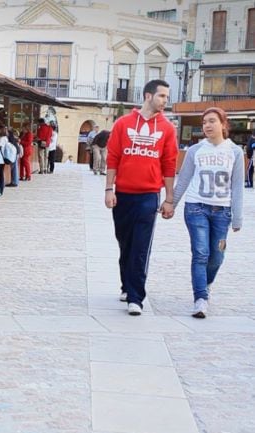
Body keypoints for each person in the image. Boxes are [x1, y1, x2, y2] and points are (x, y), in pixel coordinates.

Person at [105, 79, 178, 316]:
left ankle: (136, 296)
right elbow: (113, 157)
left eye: (167, 97)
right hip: (123, 194)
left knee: (140, 246)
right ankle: (127, 284)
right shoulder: (123, 124)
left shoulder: (167, 128)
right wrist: (109, 189)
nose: (165, 101)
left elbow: (169, 164)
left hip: (149, 195)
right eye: (162, 96)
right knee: (124, 242)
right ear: (148, 96)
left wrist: (169, 198)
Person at [171, 107, 244, 319]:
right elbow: (183, 179)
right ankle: (200, 298)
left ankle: (206, 283)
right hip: (196, 208)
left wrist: (237, 217)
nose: (208, 126)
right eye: (204, 122)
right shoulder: (195, 151)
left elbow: (237, 186)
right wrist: (171, 204)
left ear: (223, 124)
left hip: (222, 213)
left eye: (212, 121)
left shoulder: (235, 152)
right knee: (200, 253)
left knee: (217, 256)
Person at [0, 126, 9, 196]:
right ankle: (0, 188)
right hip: (2, 159)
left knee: (0, 174)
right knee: (0, 174)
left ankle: (0, 188)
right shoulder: (6, 138)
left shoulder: (1, 139)